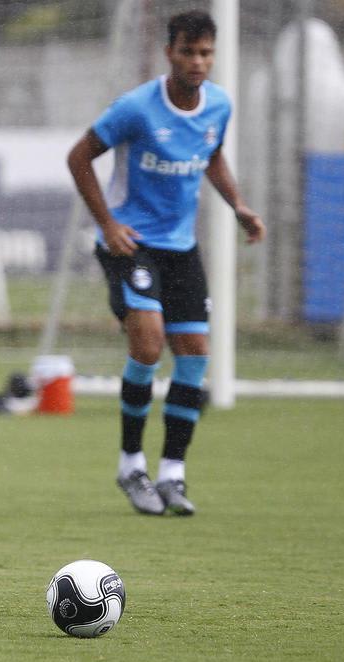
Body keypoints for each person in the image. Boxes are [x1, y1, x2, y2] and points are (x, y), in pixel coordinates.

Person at [67, 10, 265, 516]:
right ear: (169, 53)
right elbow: (78, 157)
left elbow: (212, 156)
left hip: (181, 248)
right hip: (131, 244)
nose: (198, 62)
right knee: (150, 343)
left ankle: (172, 473)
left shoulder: (218, 104)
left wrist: (237, 204)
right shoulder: (136, 108)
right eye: (188, 52)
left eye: (206, 54)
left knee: (195, 353)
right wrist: (108, 224)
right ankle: (131, 463)